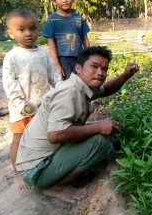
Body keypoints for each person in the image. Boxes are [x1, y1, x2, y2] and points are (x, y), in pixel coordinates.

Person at [15, 46, 139, 203]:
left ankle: (60, 173)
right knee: (100, 143)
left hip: (39, 161)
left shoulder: (82, 86)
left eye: (104, 69)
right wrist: (98, 127)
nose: (100, 73)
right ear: (78, 68)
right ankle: (56, 187)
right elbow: (55, 135)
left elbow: (106, 89)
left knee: (96, 130)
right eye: (94, 66)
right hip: (36, 170)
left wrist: (125, 75)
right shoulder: (69, 92)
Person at [2, 9, 62, 189]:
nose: (28, 33)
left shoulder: (43, 53)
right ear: (11, 33)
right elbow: (9, 84)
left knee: (42, 139)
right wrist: (21, 105)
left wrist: (62, 91)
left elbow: (54, 76)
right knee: (19, 140)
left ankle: (42, 167)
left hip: (43, 108)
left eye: (33, 28)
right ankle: (17, 172)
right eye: (22, 30)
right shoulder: (12, 57)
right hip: (22, 109)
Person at [42, 0, 91, 80]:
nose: (64, 0)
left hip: (80, 57)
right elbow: (51, 43)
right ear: (54, 2)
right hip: (63, 59)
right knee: (68, 86)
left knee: (83, 83)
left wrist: (89, 56)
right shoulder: (52, 19)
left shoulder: (78, 18)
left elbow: (85, 39)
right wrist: (56, 64)